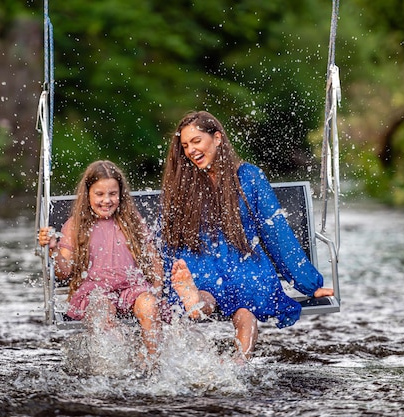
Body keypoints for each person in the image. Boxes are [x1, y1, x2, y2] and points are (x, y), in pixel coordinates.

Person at [160, 110, 334, 361]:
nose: (190, 151)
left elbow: (275, 232)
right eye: (185, 145)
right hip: (212, 261)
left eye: (196, 141)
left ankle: (199, 304)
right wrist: (166, 279)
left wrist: (309, 284)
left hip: (239, 260)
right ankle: (238, 360)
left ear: (217, 138)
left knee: (224, 297)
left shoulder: (248, 176)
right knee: (244, 308)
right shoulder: (184, 182)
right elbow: (170, 236)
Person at [38, 160, 174, 360]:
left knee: (149, 305)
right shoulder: (75, 225)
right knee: (101, 310)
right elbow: (64, 271)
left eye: (112, 194)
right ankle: (114, 365)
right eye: (99, 194)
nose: (106, 200)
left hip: (131, 288)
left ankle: (151, 362)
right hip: (96, 290)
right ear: (88, 195)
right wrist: (54, 250)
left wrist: (156, 290)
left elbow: (153, 260)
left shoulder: (132, 220)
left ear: (121, 194)